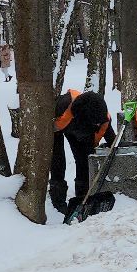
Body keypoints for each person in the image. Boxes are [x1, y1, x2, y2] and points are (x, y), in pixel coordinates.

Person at [50, 88, 113, 218]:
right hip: (61, 127)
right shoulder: (61, 108)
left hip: (83, 131)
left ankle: (82, 197)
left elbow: (112, 140)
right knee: (57, 160)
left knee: (84, 160)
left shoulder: (102, 117)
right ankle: (57, 199)